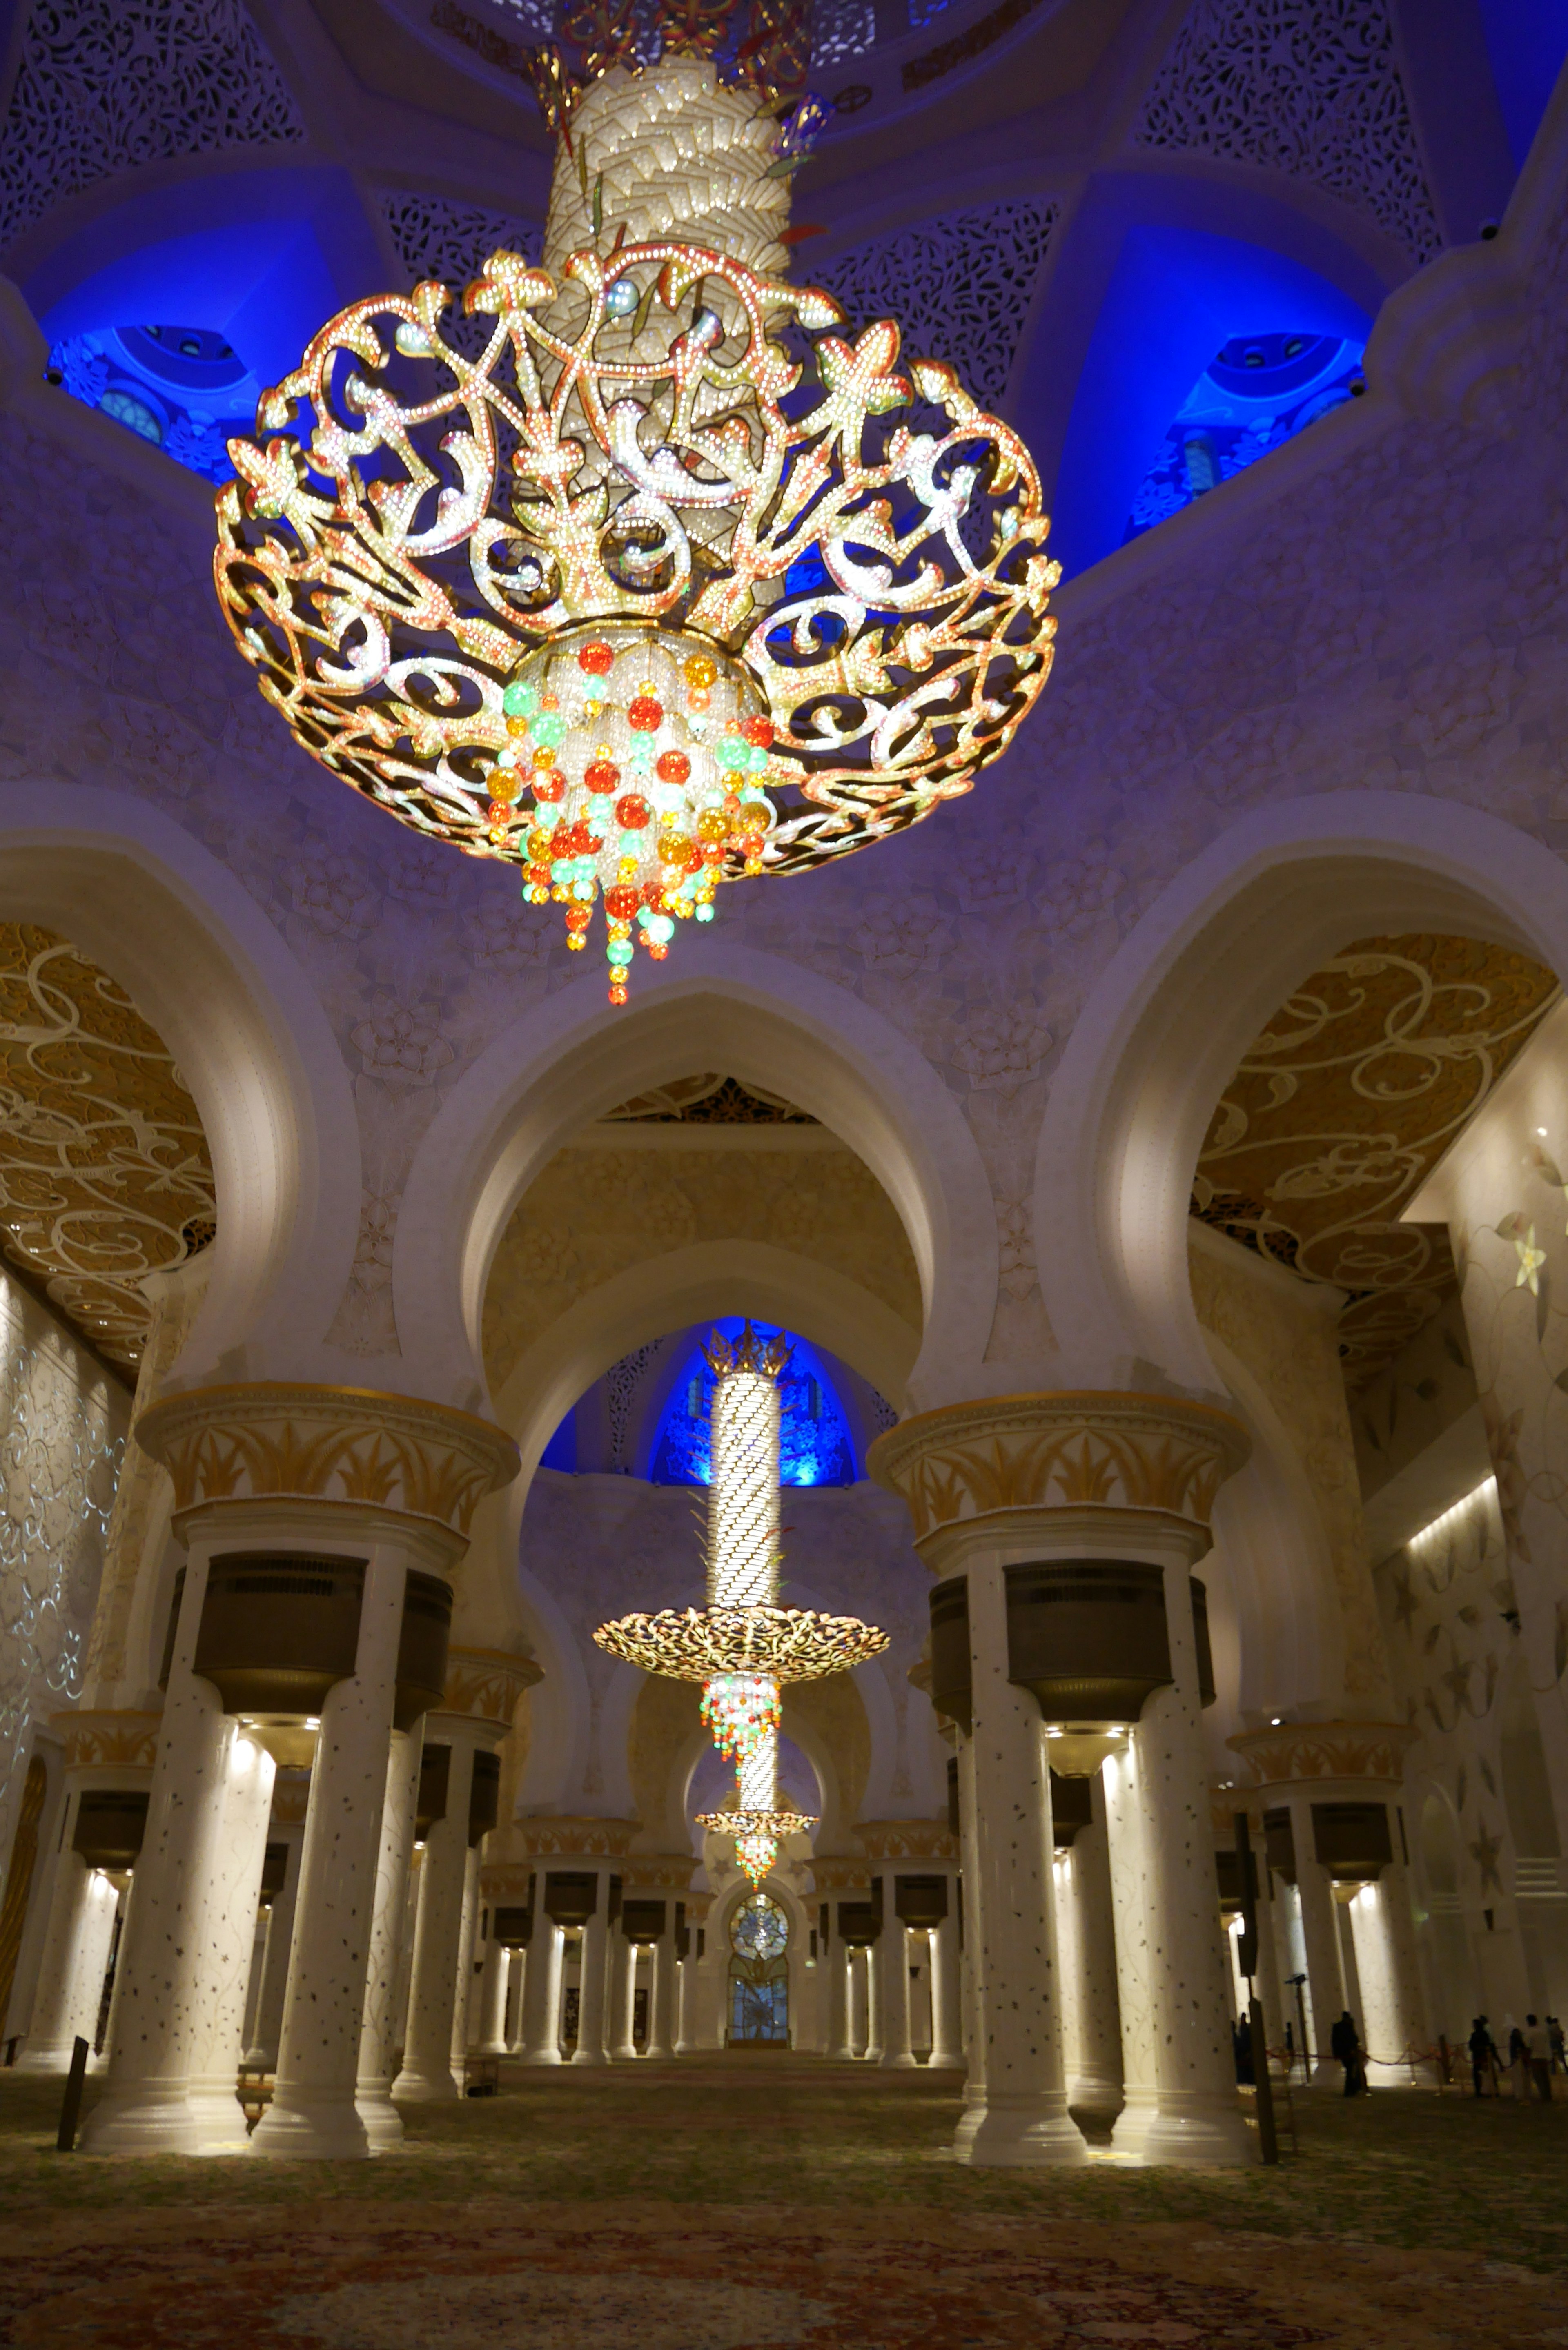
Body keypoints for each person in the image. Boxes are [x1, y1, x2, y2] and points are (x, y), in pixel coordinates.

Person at [1330, 2009, 1363, 2096]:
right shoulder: (1346, 2026)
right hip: (1348, 2053)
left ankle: (1352, 2089)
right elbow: (1351, 2039)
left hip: (1344, 2053)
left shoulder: (1338, 2027)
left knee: (1351, 2071)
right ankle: (1351, 2090)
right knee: (1350, 2071)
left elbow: (1334, 2041)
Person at [1525, 2014, 1553, 2103]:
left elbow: (1529, 2047)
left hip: (1535, 2057)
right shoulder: (1542, 2032)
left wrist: (1528, 2059)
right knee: (1545, 2078)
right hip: (1544, 2057)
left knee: (1539, 2078)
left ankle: (1544, 2096)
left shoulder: (1530, 2033)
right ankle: (1548, 2095)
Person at [1469, 2015, 1496, 2097]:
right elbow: (1471, 2045)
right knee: (1478, 2074)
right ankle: (1479, 2090)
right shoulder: (1475, 2035)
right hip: (1478, 2056)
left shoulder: (1484, 2034)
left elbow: (1486, 2044)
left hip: (1483, 2056)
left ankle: (1488, 2090)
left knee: (1486, 2074)